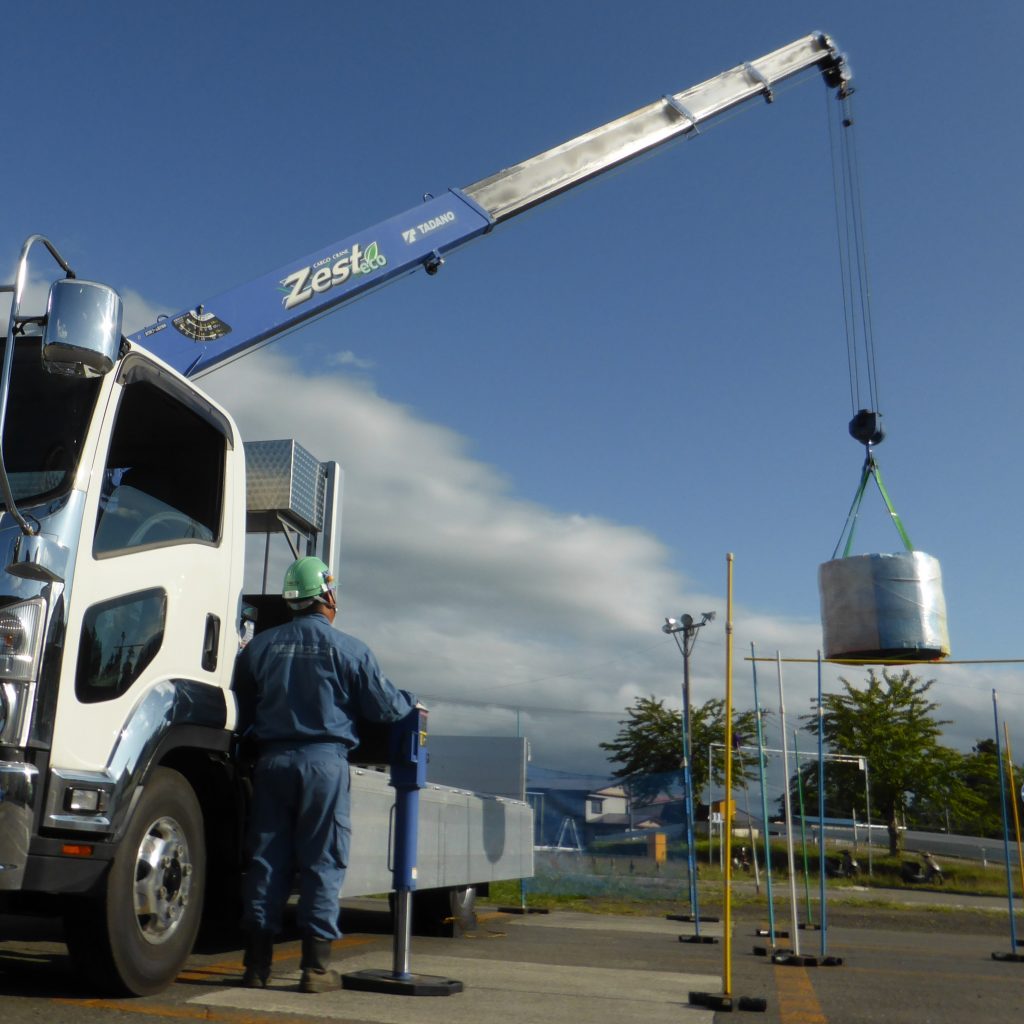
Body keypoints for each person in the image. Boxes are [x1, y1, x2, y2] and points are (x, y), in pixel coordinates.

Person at [233, 556, 416, 992]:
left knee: (265, 861)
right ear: (327, 595)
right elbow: (386, 708)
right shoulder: (351, 649)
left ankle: (256, 966)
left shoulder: (259, 647)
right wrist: (411, 700)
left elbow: (242, 704)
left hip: (271, 763)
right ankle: (315, 969)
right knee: (322, 861)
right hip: (324, 764)